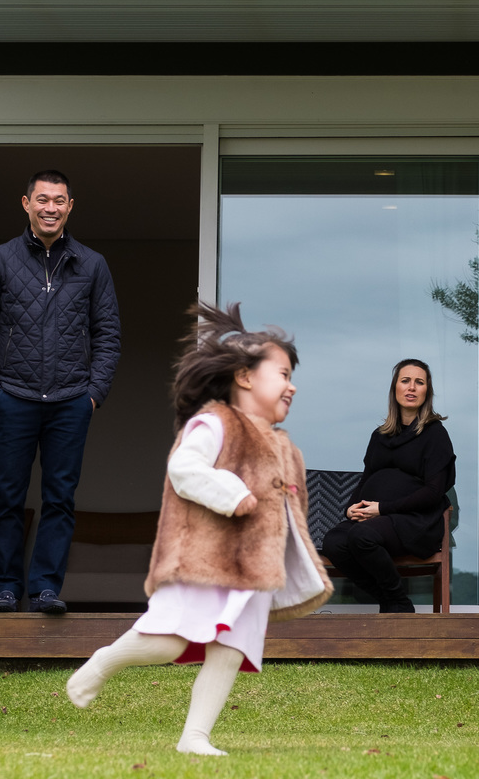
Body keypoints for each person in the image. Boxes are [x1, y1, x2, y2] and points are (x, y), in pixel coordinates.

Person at [66, 301, 332, 756]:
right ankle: (104, 661)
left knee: (230, 651)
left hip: (252, 573)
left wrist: (294, 567)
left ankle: (195, 737)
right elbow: (184, 469)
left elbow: (291, 517)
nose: (292, 386)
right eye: (283, 373)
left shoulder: (285, 447)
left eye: (291, 376)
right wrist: (229, 493)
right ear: (246, 377)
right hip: (203, 561)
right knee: (169, 641)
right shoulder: (215, 423)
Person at [0, 169, 121, 614]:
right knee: (7, 496)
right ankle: (7, 590)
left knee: (60, 498)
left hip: (72, 400)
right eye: (43, 199)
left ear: (70, 207)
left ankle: (47, 588)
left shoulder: (92, 264)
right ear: (26, 204)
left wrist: (94, 394)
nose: (51, 207)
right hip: (13, 396)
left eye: (60, 200)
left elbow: (107, 333)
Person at [321, 358, 456, 613]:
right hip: (378, 519)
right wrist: (351, 508)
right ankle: (394, 601)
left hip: (415, 520)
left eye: (419, 382)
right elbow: (367, 478)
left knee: (362, 536)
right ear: (395, 388)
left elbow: (434, 492)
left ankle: (396, 602)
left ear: (427, 391)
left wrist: (383, 508)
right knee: (334, 542)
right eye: (405, 381)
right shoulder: (380, 435)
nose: (412, 387)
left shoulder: (435, 434)